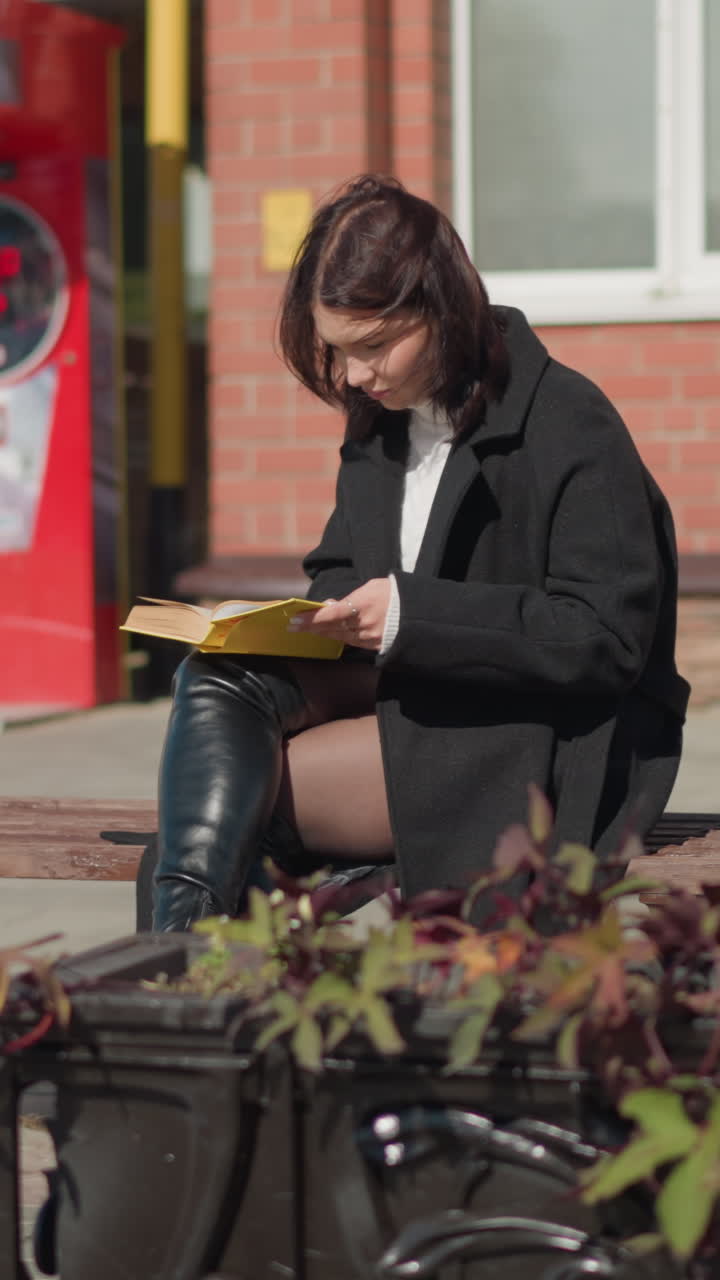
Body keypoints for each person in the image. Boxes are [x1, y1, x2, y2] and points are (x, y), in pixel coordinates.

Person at [151, 174, 690, 932]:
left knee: (232, 814)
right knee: (215, 676)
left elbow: (607, 638)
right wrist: (302, 618)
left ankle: (177, 971)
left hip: (545, 730)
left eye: (372, 348)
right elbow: (341, 567)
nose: (353, 377)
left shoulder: (571, 421)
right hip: (422, 685)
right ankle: (184, 960)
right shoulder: (381, 420)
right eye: (336, 354)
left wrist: (412, 614)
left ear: (443, 308)